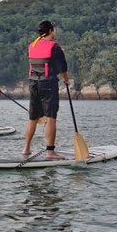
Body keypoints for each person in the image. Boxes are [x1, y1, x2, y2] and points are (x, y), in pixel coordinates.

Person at [23, 20, 70, 160]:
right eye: (54, 29)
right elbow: (62, 68)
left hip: (33, 84)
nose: (55, 32)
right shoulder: (55, 47)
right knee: (50, 118)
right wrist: (66, 80)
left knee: (33, 117)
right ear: (50, 31)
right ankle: (50, 152)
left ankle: (26, 149)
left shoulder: (32, 45)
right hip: (48, 84)